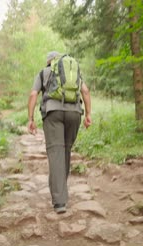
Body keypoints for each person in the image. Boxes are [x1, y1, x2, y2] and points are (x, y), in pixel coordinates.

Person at [27, 51, 92, 214]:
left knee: (56, 152)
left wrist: (30, 119)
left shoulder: (43, 73)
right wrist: (88, 115)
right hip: (74, 114)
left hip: (53, 113)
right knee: (65, 151)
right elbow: (85, 91)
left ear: (48, 61)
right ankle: (60, 189)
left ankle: (60, 201)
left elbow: (33, 94)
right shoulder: (71, 72)